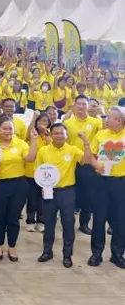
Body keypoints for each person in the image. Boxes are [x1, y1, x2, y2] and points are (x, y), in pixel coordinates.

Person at [35, 123, 90, 268]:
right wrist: (42, 186)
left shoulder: (72, 150)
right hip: (49, 192)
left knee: (68, 224)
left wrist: (85, 141)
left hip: (67, 192)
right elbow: (38, 170)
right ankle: (47, 251)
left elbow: (86, 160)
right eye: (56, 133)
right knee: (49, 224)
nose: (59, 135)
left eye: (62, 133)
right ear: (51, 134)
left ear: (66, 135)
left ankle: (67, 255)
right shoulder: (43, 151)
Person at [0, 116, 37, 261]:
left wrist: (33, 140)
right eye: (4, 128)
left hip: (18, 185)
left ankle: (12, 247)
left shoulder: (21, 144)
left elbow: (30, 159)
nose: (8, 131)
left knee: (13, 217)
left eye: (10, 128)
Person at [86, 106, 125, 269]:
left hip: (121, 182)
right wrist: (96, 166)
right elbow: (90, 155)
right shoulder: (101, 134)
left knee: (121, 219)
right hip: (101, 181)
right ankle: (96, 253)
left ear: (118, 120)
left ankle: (117, 254)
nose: (106, 120)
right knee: (99, 218)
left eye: (109, 117)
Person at [62, 95, 103, 235]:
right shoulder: (68, 123)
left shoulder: (96, 122)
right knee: (71, 193)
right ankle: (69, 222)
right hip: (71, 162)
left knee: (88, 194)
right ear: (74, 105)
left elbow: (103, 137)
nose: (81, 106)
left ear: (88, 106)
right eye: (78, 104)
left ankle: (84, 223)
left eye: (84, 104)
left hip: (89, 162)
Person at [26, 112, 50, 233]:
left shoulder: (49, 135)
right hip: (31, 172)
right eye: (40, 121)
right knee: (31, 199)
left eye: (45, 121)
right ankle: (30, 221)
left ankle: (41, 221)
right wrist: (34, 117)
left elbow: (51, 149)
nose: (42, 123)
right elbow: (29, 132)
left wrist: (47, 135)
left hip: (45, 173)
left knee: (42, 199)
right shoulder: (32, 134)